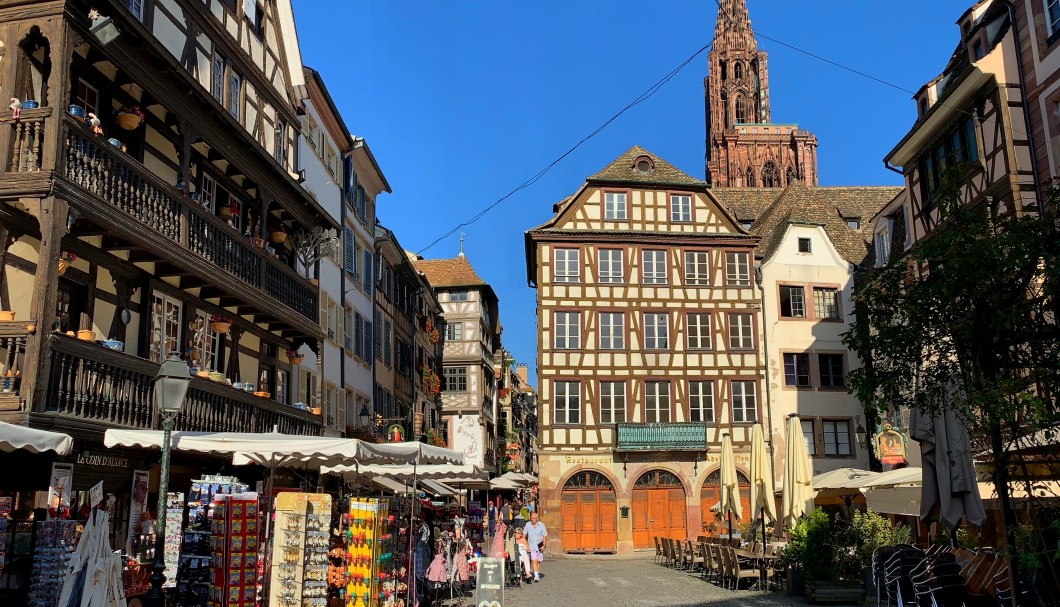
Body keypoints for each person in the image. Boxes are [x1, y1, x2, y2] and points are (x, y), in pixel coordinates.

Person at [522, 511, 547, 582]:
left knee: (538, 561)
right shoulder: (528, 524)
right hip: (531, 546)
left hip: (539, 546)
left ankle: (536, 573)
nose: (532, 519)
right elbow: (524, 535)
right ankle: (536, 576)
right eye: (531, 518)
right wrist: (526, 545)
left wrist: (544, 545)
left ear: (537, 519)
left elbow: (544, 535)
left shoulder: (541, 525)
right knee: (534, 560)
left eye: (533, 518)